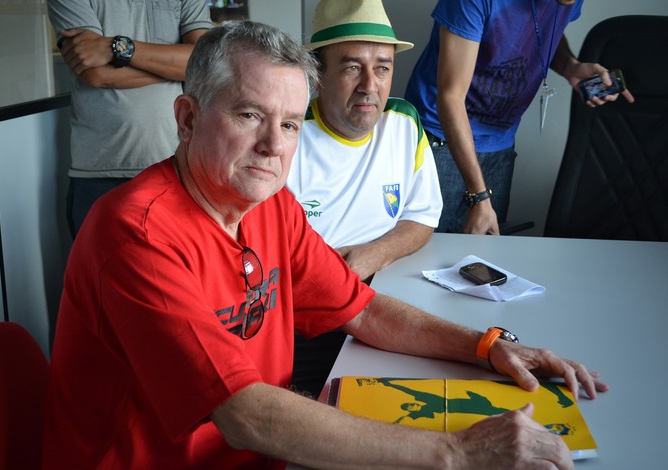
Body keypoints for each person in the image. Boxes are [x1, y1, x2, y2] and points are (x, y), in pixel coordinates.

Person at [43, 20, 607, 470]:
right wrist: (456, 453)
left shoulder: (270, 207)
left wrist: (486, 346)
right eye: (248, 115)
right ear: (187, 119)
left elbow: (361, 310)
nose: (272, 146)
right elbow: (242, 414)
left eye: (290, 125)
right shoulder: (137, 234)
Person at [286, 0, 442, 397]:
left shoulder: (403, 122)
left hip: (388, 295)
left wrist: (375, 254)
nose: (370, 85)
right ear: (317, 74)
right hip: (305, 318)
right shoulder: (285, 137)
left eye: (383, 67)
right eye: (352, 66)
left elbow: (422, 216)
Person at [405, 0, 635, 234]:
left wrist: (570, 67)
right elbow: (451, 97)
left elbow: (540, 30)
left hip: (500, 141)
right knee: (426, 250)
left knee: (481, 256)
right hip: (439, 137)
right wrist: (479, 196)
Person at [47, 0, 212, 238]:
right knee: (99, 273)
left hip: (175, 168)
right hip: (101, 175)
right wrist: (174, 67)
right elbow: (95, 73)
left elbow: (204, 61)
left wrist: (119, 47)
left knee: (177, 273)